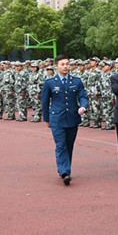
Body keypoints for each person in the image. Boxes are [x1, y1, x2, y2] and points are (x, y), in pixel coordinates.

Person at [41, 54, 88, 185]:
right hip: (56, 118)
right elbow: (44, 102)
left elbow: (83, 96)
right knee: (60, 145)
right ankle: (64, 172)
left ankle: (65, 168)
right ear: (56, 66)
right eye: (62, 64)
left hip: (72, 118)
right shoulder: (49, 82)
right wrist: (46, 119)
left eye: (67, 64)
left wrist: (83, 107)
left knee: (69, 145)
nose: (65, 66)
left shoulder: (76, 81)